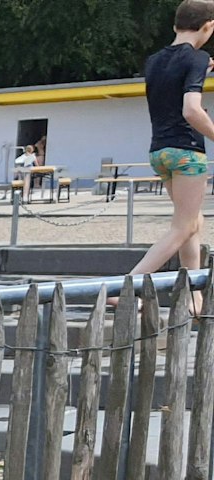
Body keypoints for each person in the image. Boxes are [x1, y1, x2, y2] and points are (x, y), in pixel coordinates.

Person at [127, 2, 214, 284]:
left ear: (175, 25)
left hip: (160, 151)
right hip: (187, 151)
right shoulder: (197, 58)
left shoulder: (154, 61)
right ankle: (127, 284)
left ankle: (194, 294)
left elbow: (170, 88)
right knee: (184, 226)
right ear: (208, 26)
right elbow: (191, 110)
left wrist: (200, 70)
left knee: (193, 223)